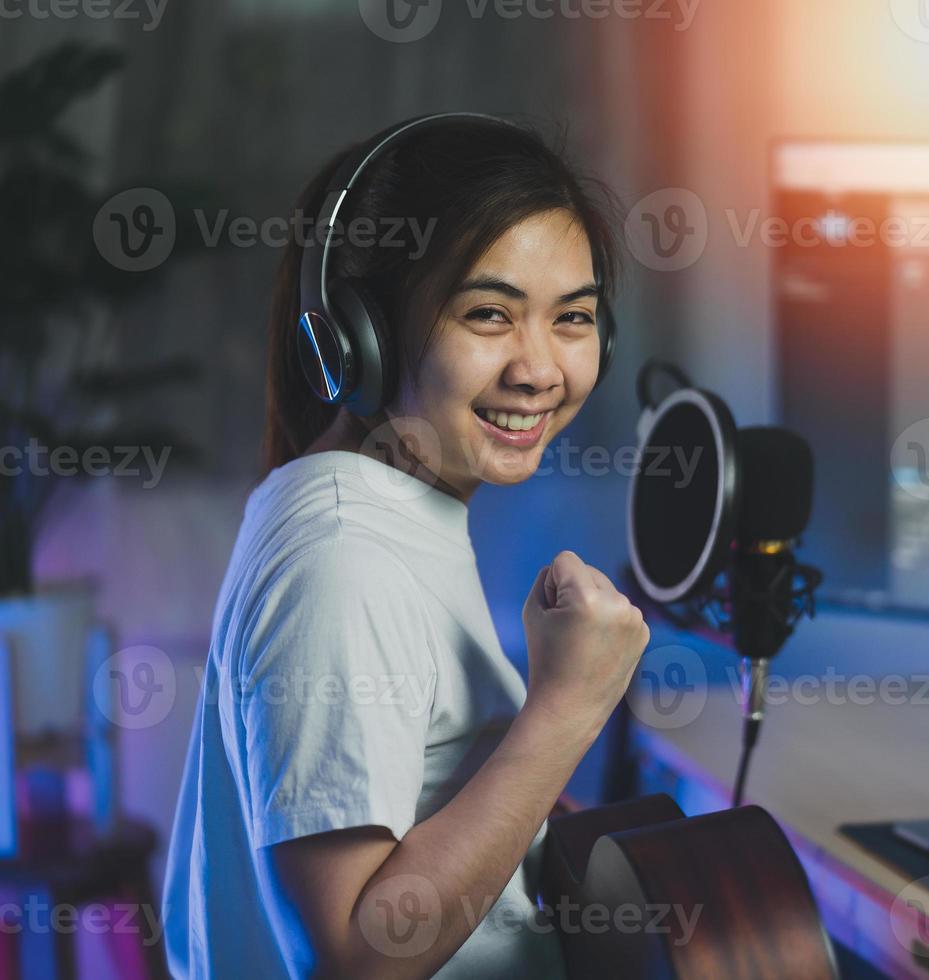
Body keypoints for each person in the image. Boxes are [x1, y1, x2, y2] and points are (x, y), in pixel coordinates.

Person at [163, 115, 648, 978]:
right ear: (362, 341)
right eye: (489, 313)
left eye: (571, 317)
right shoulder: (342, 558)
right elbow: (354, 956)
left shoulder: (381, 512)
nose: (540, 368)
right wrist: (569, 706)